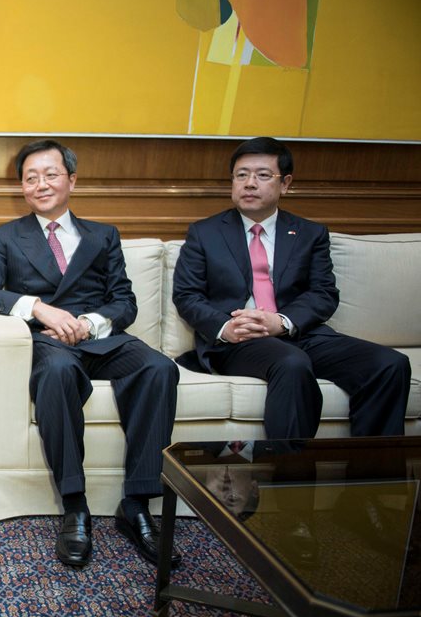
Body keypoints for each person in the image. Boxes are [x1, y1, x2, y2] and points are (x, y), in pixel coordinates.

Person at [0, 139, 181, 569]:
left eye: (50, 174)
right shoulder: (6, 237)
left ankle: (137, 503)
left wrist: (90, 323)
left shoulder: (103, 235)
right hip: (47, 340)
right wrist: (38, 307)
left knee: (159, 368)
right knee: (58, 373)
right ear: (22, 187)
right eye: (31, 178)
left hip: (99, 338)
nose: (40, 184)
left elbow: (124, 302)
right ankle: (75, 504)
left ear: (72, 180)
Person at [172, 136, 411, 440]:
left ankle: (372, 469)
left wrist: (282, 322)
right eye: (241, 175)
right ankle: (289, 467)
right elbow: (187, 295)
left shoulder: (310, 233)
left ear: (285, 184)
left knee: (390, 364)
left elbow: (323, 293)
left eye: (262, 175)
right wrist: (226, 328)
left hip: (299, 334)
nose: (249, 183)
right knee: (292, 363)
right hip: (239, 340)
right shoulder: (205, 233)